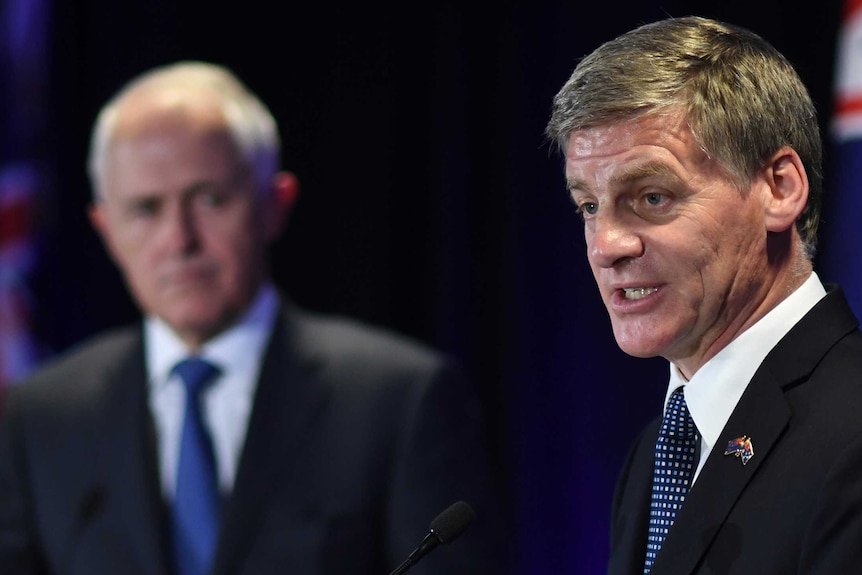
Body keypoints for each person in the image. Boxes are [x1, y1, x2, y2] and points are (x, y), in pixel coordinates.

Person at [0, 61, 506, 575]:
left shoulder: (399, 401)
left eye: (211, 199)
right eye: (146, 209)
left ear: (274, 203)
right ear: (105, 229)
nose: (180, 240)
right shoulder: (41, 416)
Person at [546, 15, 862, 575]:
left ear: (778, 189)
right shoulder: (656, 454)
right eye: (589, 207)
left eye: (651, 196)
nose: (606, 246)